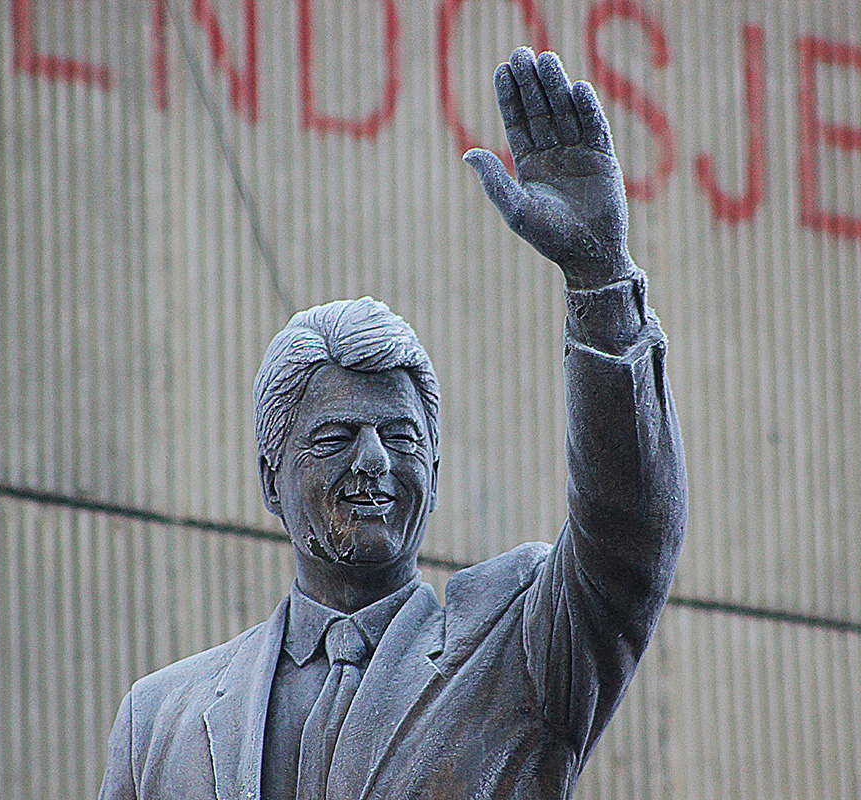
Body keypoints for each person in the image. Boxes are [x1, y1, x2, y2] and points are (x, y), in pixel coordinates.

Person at [98, 47, 686, 799]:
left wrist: (600, 280)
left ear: (434, 477)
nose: (375, 461)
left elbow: (630, 531)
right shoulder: (160, 721)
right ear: (269, 478)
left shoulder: (520, 650)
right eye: (336, 437)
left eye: (402, 438)